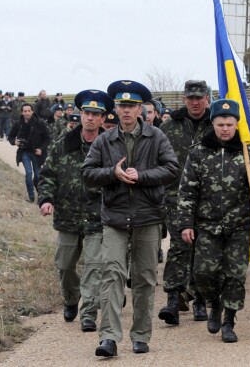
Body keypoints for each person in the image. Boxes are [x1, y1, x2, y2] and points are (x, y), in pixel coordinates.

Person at [81, 80, 179, 357]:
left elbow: (172, 168)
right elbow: (87, 173)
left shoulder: (156, 137)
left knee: (145, 278)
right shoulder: (104, 140)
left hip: (148, 217)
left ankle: (140, 335)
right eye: (122, 105)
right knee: (112, 275)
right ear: (116, 108)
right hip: (114, 218)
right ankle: (109, 337)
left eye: (132, 106)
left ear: (141, 110)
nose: (126, 111)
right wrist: (113, 173)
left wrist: (142, 176)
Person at [178, 99, 250, 343]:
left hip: (238, 224)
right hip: (207, 225)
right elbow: (187, 191)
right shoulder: (198, 152)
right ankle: (215, 303)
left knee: (235, 274)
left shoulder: (248, 150)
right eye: (221, 124)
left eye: (230, 124)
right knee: (203, 272)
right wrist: (186, 223)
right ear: (213, 124)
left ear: (237, 124)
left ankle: (229, 320)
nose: (226, 129)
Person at [38, 90, 114, 332]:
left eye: (96, 114)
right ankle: (71, 298)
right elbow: (47, 176)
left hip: (98, 216)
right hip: (68, 216)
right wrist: (46, 199)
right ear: (80, 115)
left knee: (95, 265)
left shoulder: (111, 147)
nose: (90, 118)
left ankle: (89, 312)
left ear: (103, 118)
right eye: (87, 113)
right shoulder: (63, 145)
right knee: (64, 265)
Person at [158, 80, 213, 326]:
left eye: (199, 97)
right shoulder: (169, 128)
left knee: (202, 249)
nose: (195, 101)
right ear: (184, 99)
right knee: (180, 246)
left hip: (210, 200)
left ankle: (199, 297)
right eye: (190, 97)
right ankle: (173, 297)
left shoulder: (218, 125)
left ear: (207, 99)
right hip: (176, 198)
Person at [8, 103, 50, 202]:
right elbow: (10, 136)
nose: (27, 113)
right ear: (22, 112)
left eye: (29, 111)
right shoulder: (18, 124)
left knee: (37, 176)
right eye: (25, 111)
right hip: (24, 152)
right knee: (28, 173)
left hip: (36, 153)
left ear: (32, 111)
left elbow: (47, 138)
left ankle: (41, 195)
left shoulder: (40, 123)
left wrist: (41, 149)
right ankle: (31, 197)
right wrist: (14, 142)